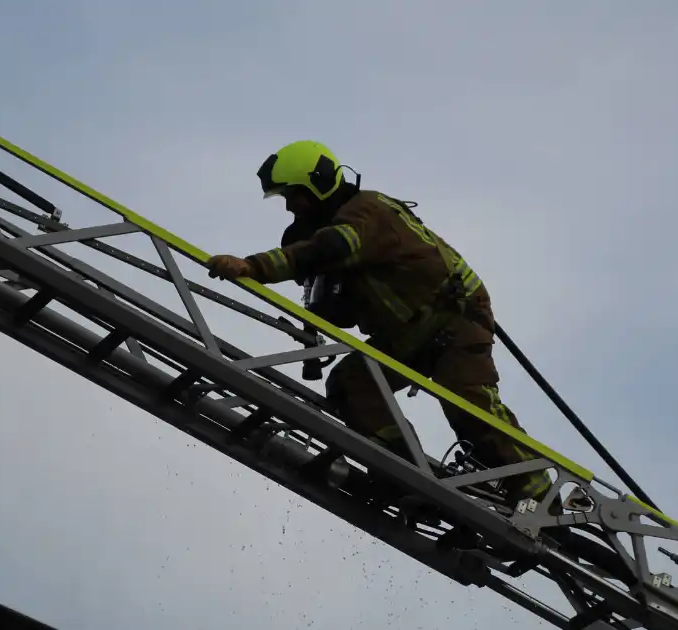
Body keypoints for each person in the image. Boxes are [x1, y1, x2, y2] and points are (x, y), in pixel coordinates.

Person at [205, 140, 552, 506]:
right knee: (353, 382)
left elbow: (334, 247)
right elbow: (343, 306)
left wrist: (253, 266)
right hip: (404, 334)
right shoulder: (335, 230)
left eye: (293, 196)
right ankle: (402, 468)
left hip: (452, 320)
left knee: (468, 402)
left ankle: (541, 495)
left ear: (317, 184)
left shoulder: (365, 211)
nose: (290, 206)